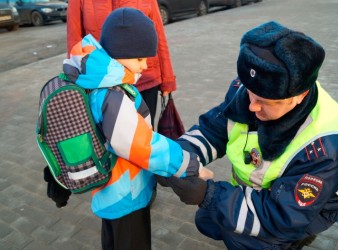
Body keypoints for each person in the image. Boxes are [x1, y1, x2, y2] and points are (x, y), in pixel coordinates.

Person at [157, 21, 338, 249]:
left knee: (245, 238)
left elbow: (282, 216)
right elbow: (213, 129)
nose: (251, 106)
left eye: (264, 101)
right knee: (209, 220)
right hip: (262, 195)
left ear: (300, 96)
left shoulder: (326, 144)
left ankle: (294, 241)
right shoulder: (251, 89)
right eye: (250, 93)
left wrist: (208, 195)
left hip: (306, 208)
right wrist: (176, 156)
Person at [44, 8, 212, 250]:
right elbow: (142, 145)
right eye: (140, 59)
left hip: (109, 190)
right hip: (126, 193)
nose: (145, 66)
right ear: (120, 52)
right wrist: (189, 165)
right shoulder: (114, 95)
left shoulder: (95, 80)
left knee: (112, 240)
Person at [67, 0, 176, 128]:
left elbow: (158, 34)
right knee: (111, 139)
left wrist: (167, 79)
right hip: (106, 85)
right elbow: (75, 42)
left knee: (146, 134)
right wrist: (76, 83)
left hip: (146, 81)